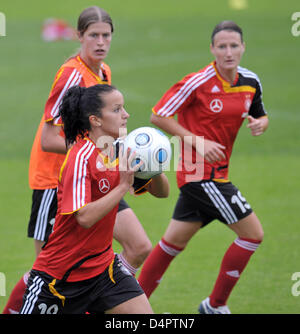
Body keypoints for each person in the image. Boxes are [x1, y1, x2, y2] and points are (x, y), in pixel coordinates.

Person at [3, 6, 167, 314]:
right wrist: (98, 149)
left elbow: (160, 189)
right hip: (56, 181)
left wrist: (132, 159)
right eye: (94, 35)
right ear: (79, 36)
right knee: (48, 270)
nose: (101, 42)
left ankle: (102, 298)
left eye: (106, 35)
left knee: (138, 246)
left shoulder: (103, 74)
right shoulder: (70, 75)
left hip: (101, 177)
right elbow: (49, 139)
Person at [138, 20, 268, 314]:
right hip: (199, 175)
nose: (228, 52)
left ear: (243, 47)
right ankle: (215, 305)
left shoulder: (250, 81)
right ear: (212, 49)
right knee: (252, 234)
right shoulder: (197, 83)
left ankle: (128, 303)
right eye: (221, 46)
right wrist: (197, 142)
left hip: (217, 174)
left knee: (171, 243)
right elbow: (159, 116)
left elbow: (260, 113)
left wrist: (262, 123)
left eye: (234, 45)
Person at [20, 84, 160, 314]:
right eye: (117, 110)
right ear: (95, 120)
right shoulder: (80, 157)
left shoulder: (119, 150)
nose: (126, 114)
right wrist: (124, 186)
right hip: (59, 279)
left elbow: (161, 192)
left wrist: (155, 165)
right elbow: (84, 217)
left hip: (104, 272)